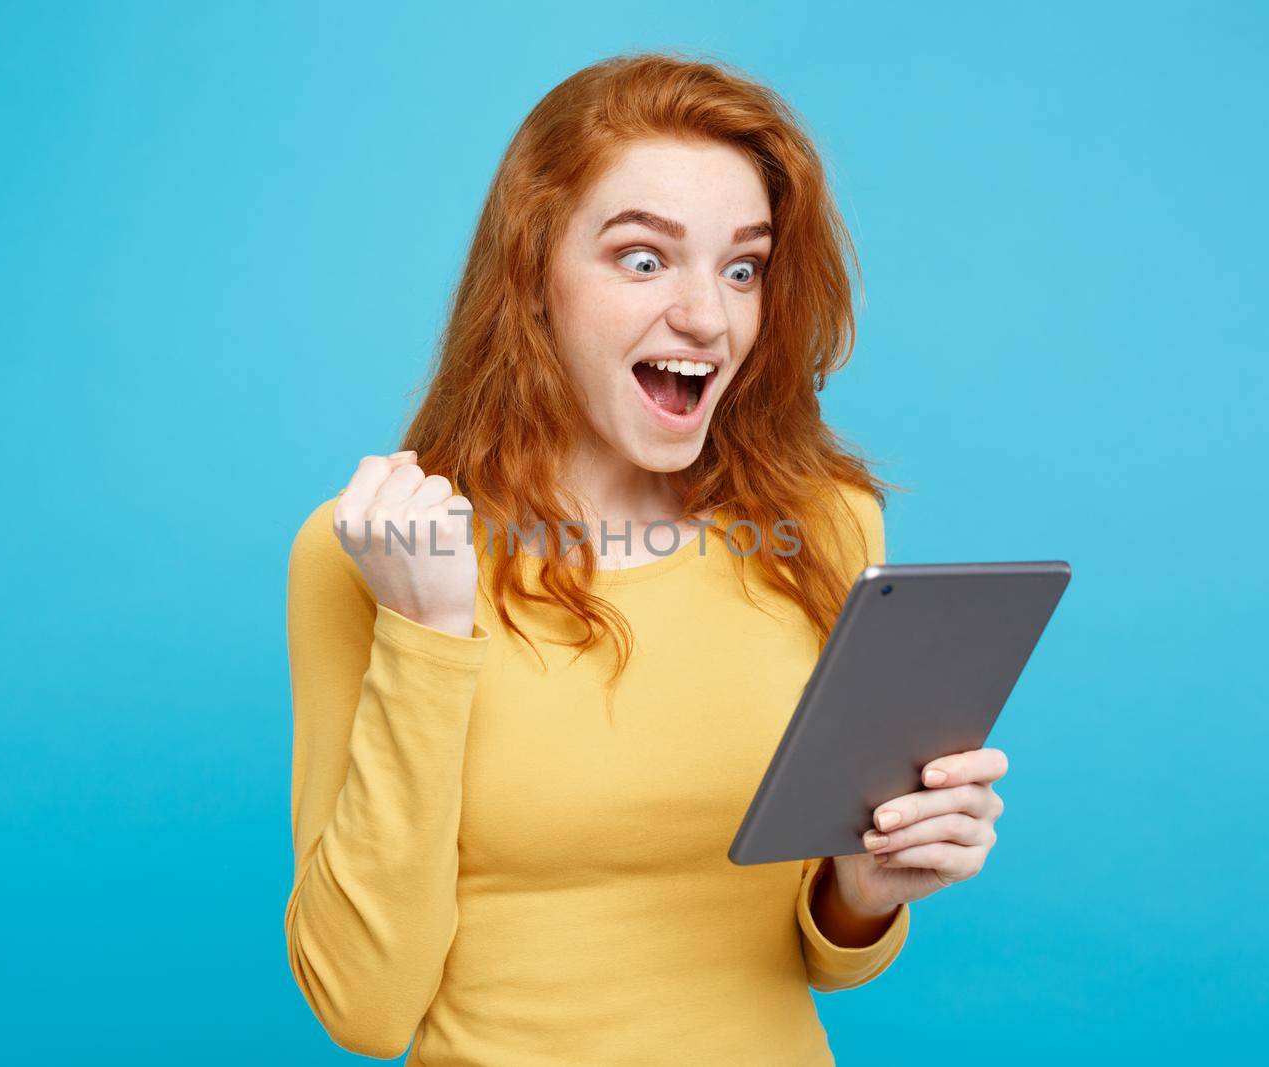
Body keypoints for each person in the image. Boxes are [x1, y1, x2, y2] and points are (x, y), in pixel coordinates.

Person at [283, 51, 1007, 1065]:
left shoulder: (825, 526)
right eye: (642, 258)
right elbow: (363, 1007)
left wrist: (865, 889)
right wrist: (424, 633)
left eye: (742, 266)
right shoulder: (367, 552)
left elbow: (822, 954)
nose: (708, 316)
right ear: (532, 275)